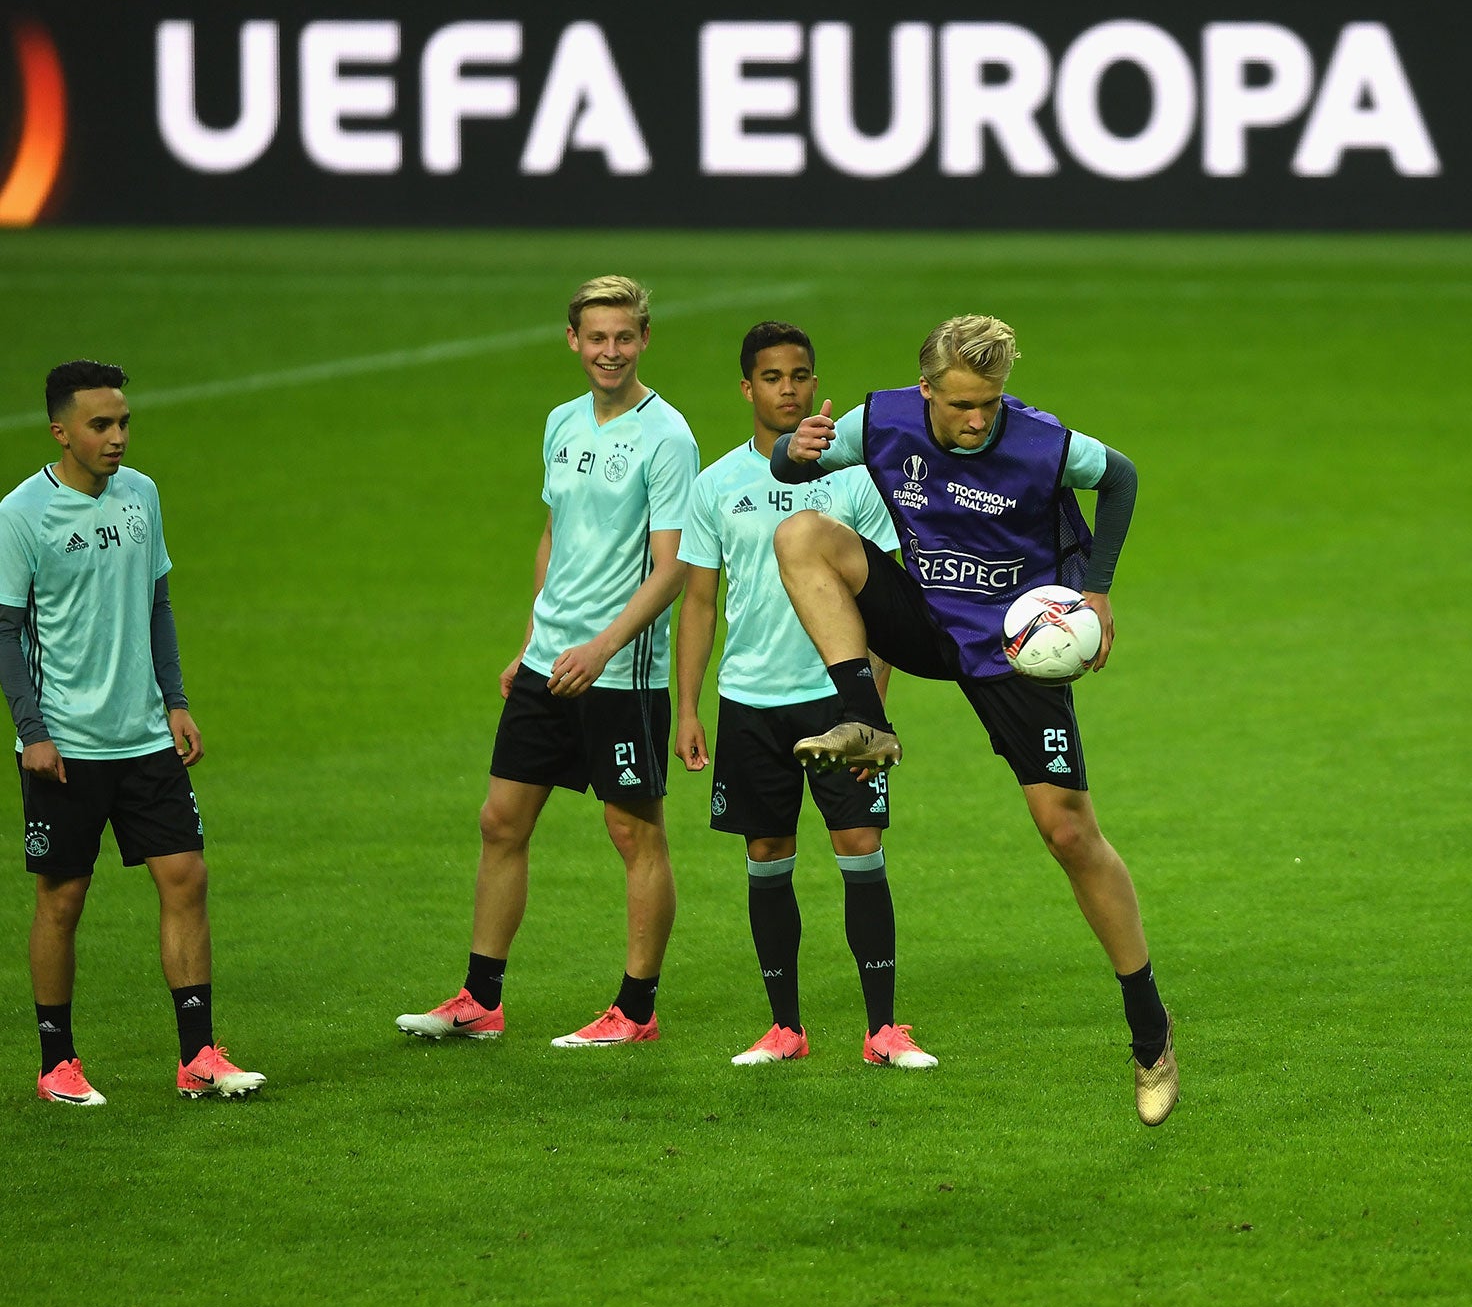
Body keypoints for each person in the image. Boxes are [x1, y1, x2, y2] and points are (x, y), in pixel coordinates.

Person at [768, 315, 1179, 1124]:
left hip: (1018, 645)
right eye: (961, 404)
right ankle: (864, 720)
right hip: (925, 620)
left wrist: (1095, 589)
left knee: (1067, 833)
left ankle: (1151, 1032)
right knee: (802, 534)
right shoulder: (880, 421)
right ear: (927, 390)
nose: (977, 420)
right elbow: (790, 468)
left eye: (989, 403)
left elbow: (1122, 476)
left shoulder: (1041, 442)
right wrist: (797, 446)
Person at [398, 276, 697, 1049]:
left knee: (634, 834)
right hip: (550, 661)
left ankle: (635, 1010)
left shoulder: (667, 437)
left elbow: (673, 569)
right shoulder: (561, 421)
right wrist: (533, 639)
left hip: (622, 671)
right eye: (595, 338)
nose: (609, 352)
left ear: (644, 339)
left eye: (623, 337)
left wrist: (602, 649)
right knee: (501, 821)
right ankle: (481, 1000)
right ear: (573, 340)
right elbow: (554, 535)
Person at [0, 360, 264, 1105]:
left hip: (144, 735)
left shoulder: (141, 495)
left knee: (186, 878)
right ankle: (57, 1062)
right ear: (61, 432)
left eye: (123, 423)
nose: (117, 437)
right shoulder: (21, 515)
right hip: (66, 746)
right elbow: (6, 632)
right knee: (63, 897)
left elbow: (158, 604)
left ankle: (198, 1056)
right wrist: (33, 731)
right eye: (100, 425)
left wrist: (175, 701)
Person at [675, 321, 934, 1070]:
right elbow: (698, 603)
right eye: (773, 377)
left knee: (860, 849)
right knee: (767, 854)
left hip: (834, 702)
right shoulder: (717, 484)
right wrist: (688, 708)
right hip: (750, 701)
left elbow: (889, 600)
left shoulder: (853, 479)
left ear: (815, 383)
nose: (789, 389)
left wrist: (870, 713)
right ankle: (784, 1028)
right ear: (748, 387)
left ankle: (883, 1030)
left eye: (800, 376)